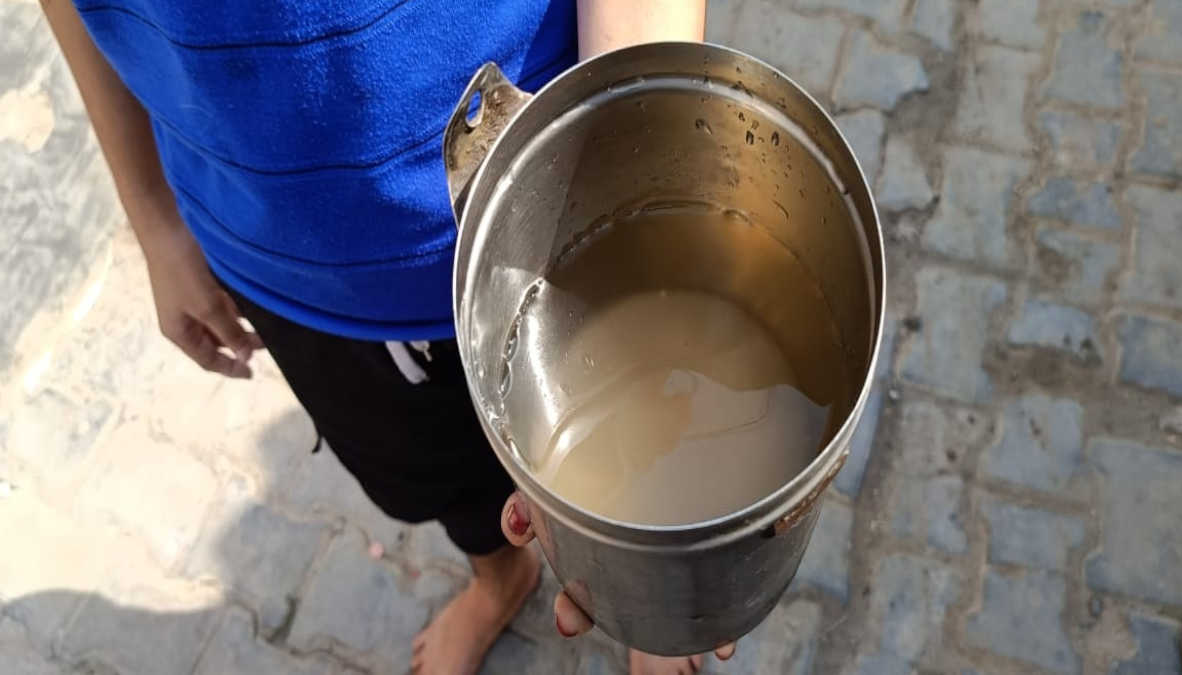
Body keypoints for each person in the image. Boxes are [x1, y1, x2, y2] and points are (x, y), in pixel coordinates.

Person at [41, 0, 726, 673]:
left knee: (640, 423)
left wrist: (639, 214)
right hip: (291, 264)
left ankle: (650, 600)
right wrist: (153, 216)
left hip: (562, 198)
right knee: (430, 475)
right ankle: (500, 580)